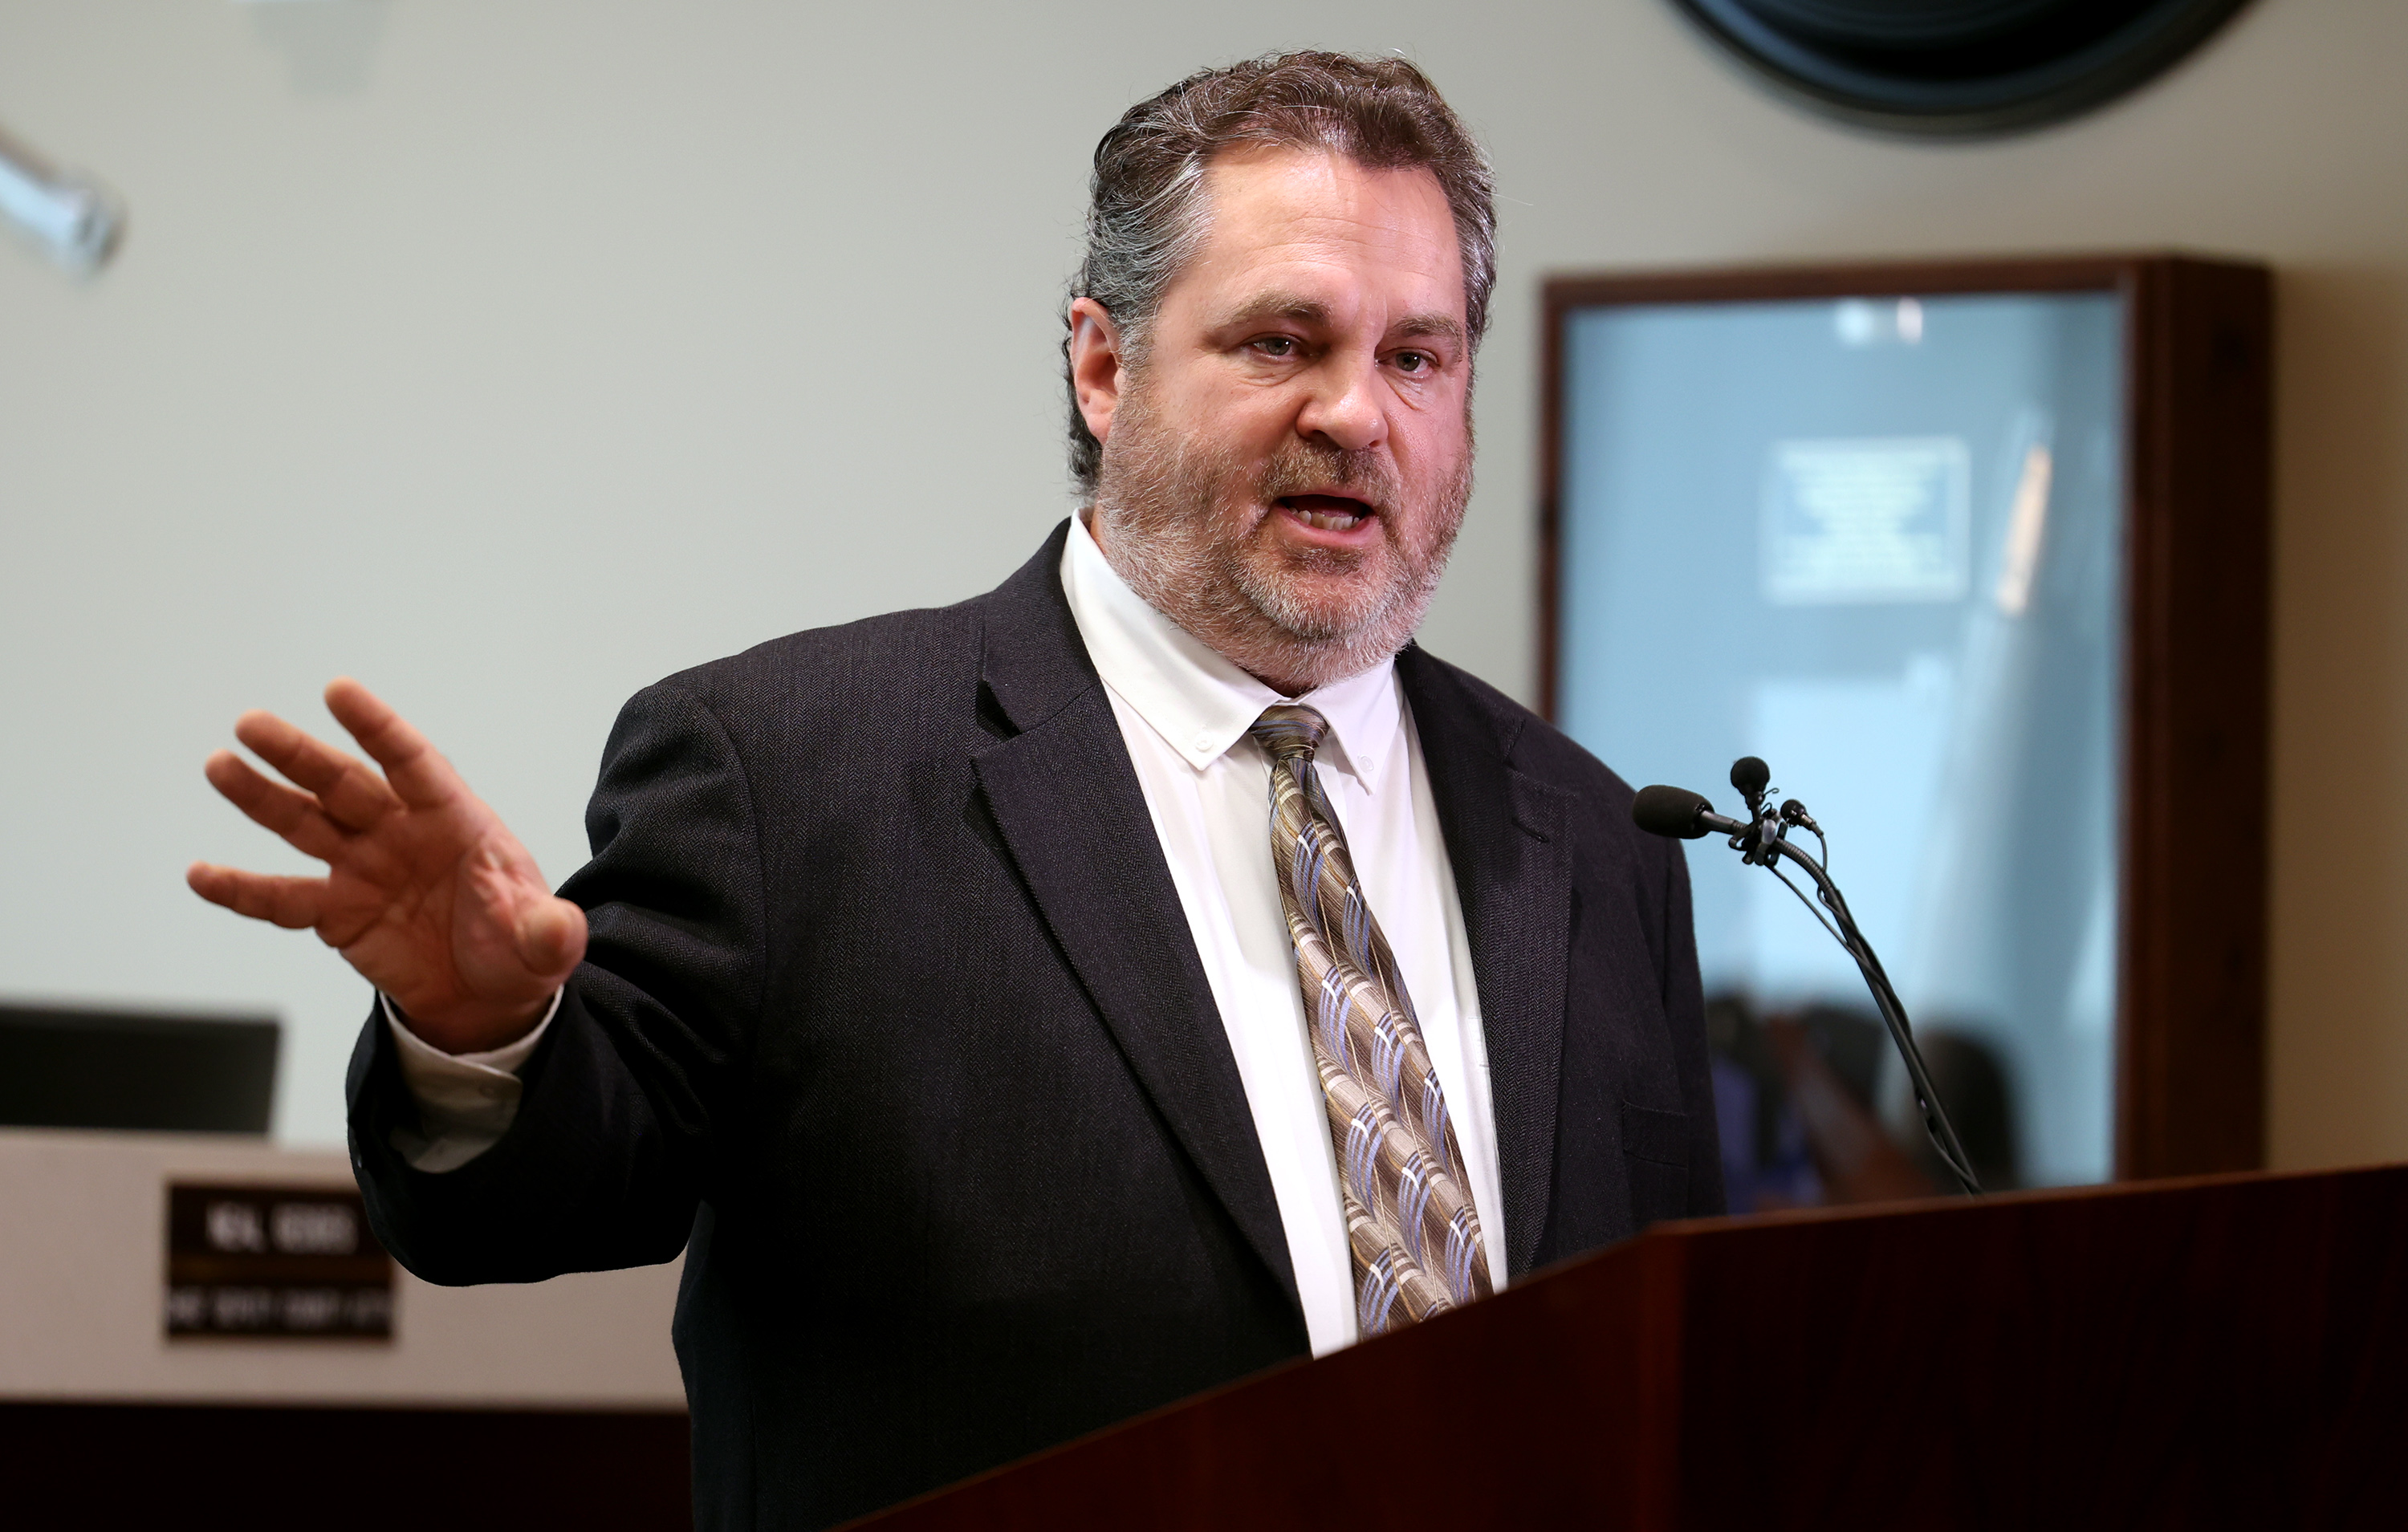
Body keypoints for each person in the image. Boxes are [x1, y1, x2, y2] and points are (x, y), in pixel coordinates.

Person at [189, 52, 1723, 1530]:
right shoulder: (790, 774)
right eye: (1281, 342)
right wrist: (487, 1035)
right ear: (1103, 363)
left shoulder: (1597, 838)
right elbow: (533, 1204)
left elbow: (1682, 1362)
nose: (1356, 414)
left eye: (1415, 355)